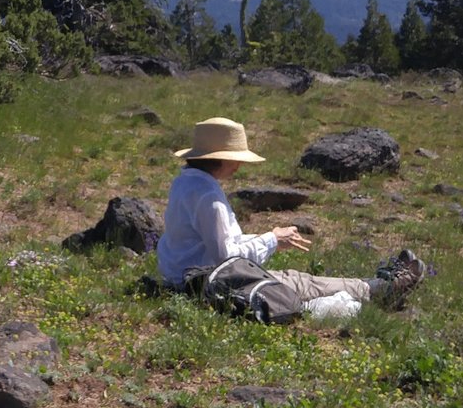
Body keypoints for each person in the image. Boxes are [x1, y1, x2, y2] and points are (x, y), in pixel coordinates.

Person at [156, 117, 431, 320]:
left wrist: (270, 240)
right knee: (300, 283)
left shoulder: (185, 182)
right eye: (236, 158)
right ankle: (380, 289)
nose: (239, 165)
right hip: (208, 284)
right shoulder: (208, 196)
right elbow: (227, 260)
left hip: (184, 278)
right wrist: (272, 239)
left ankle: (373, 287)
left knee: (297, 280)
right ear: (221, 159)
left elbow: (211, 243)